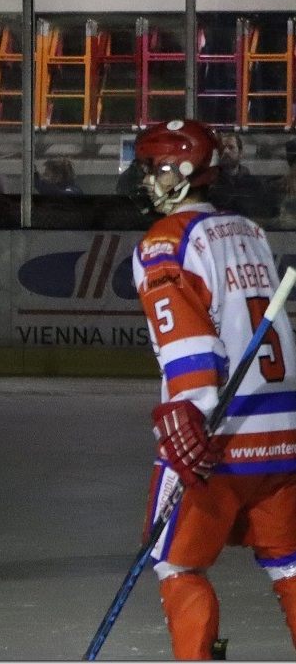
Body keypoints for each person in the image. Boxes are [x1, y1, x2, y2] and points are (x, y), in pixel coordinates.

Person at [129, 118, 296, 659]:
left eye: (155, 169)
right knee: (290, 563)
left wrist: (188, 410)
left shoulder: (165, 242)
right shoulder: (249, 231)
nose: (148, 179)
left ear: (181, 173)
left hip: (218, 436)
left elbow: (189, 343)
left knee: (178, 563)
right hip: (285, 431)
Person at [210, 131, 275, 220]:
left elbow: (265, 214)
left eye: (231, 147)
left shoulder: (255, 185)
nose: (226, 151)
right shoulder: (210, 184)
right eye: (222, 148)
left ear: (240, 153)